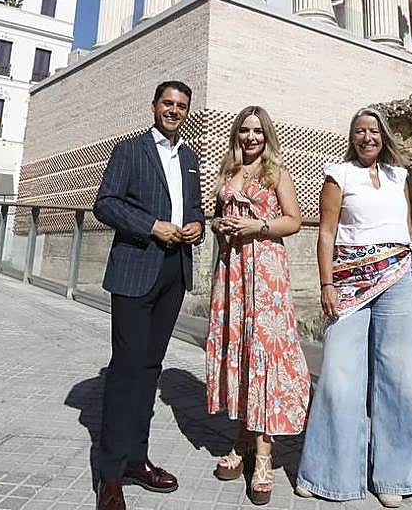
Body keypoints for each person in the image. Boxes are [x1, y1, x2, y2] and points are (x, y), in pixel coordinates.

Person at [296, 107, 412, 508]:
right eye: (360, 131)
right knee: (340, 375)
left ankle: (398, 476)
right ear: (352, 137)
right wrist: (326, 283)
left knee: (401, 374)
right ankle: (327, 473)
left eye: (373, 131)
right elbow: (326, 234)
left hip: (398, 278)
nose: (367, 137)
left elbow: (407, 230)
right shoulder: (338, 175)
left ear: (383, 136)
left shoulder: (399, 177)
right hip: (348, 284)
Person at [91, 81, 205, 510]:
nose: (174, 110)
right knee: (126, 369)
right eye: (167, 103)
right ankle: (111, 474)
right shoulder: (130, 151)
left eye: (181, 106)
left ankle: (138, 459)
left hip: (174, 271)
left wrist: (196, 225)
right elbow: (106, 204)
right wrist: (151, 225)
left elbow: (193, 208)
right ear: (154, 106)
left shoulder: (190, 158)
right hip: (136, 270)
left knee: (151, 367)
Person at [206, 106, 309, 505]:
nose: (251, 138)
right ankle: (242, 440)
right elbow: (218, 217)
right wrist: (221, 226)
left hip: (265, 273)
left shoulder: (275, 173)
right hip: (233, 273)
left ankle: (264, 455)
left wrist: (257, 227)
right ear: (237, 135)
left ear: (267, 137)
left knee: (264, 353)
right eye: (245, 131)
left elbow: (294, 221)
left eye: (258, 132)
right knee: (243, 352)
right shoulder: (227, 174)